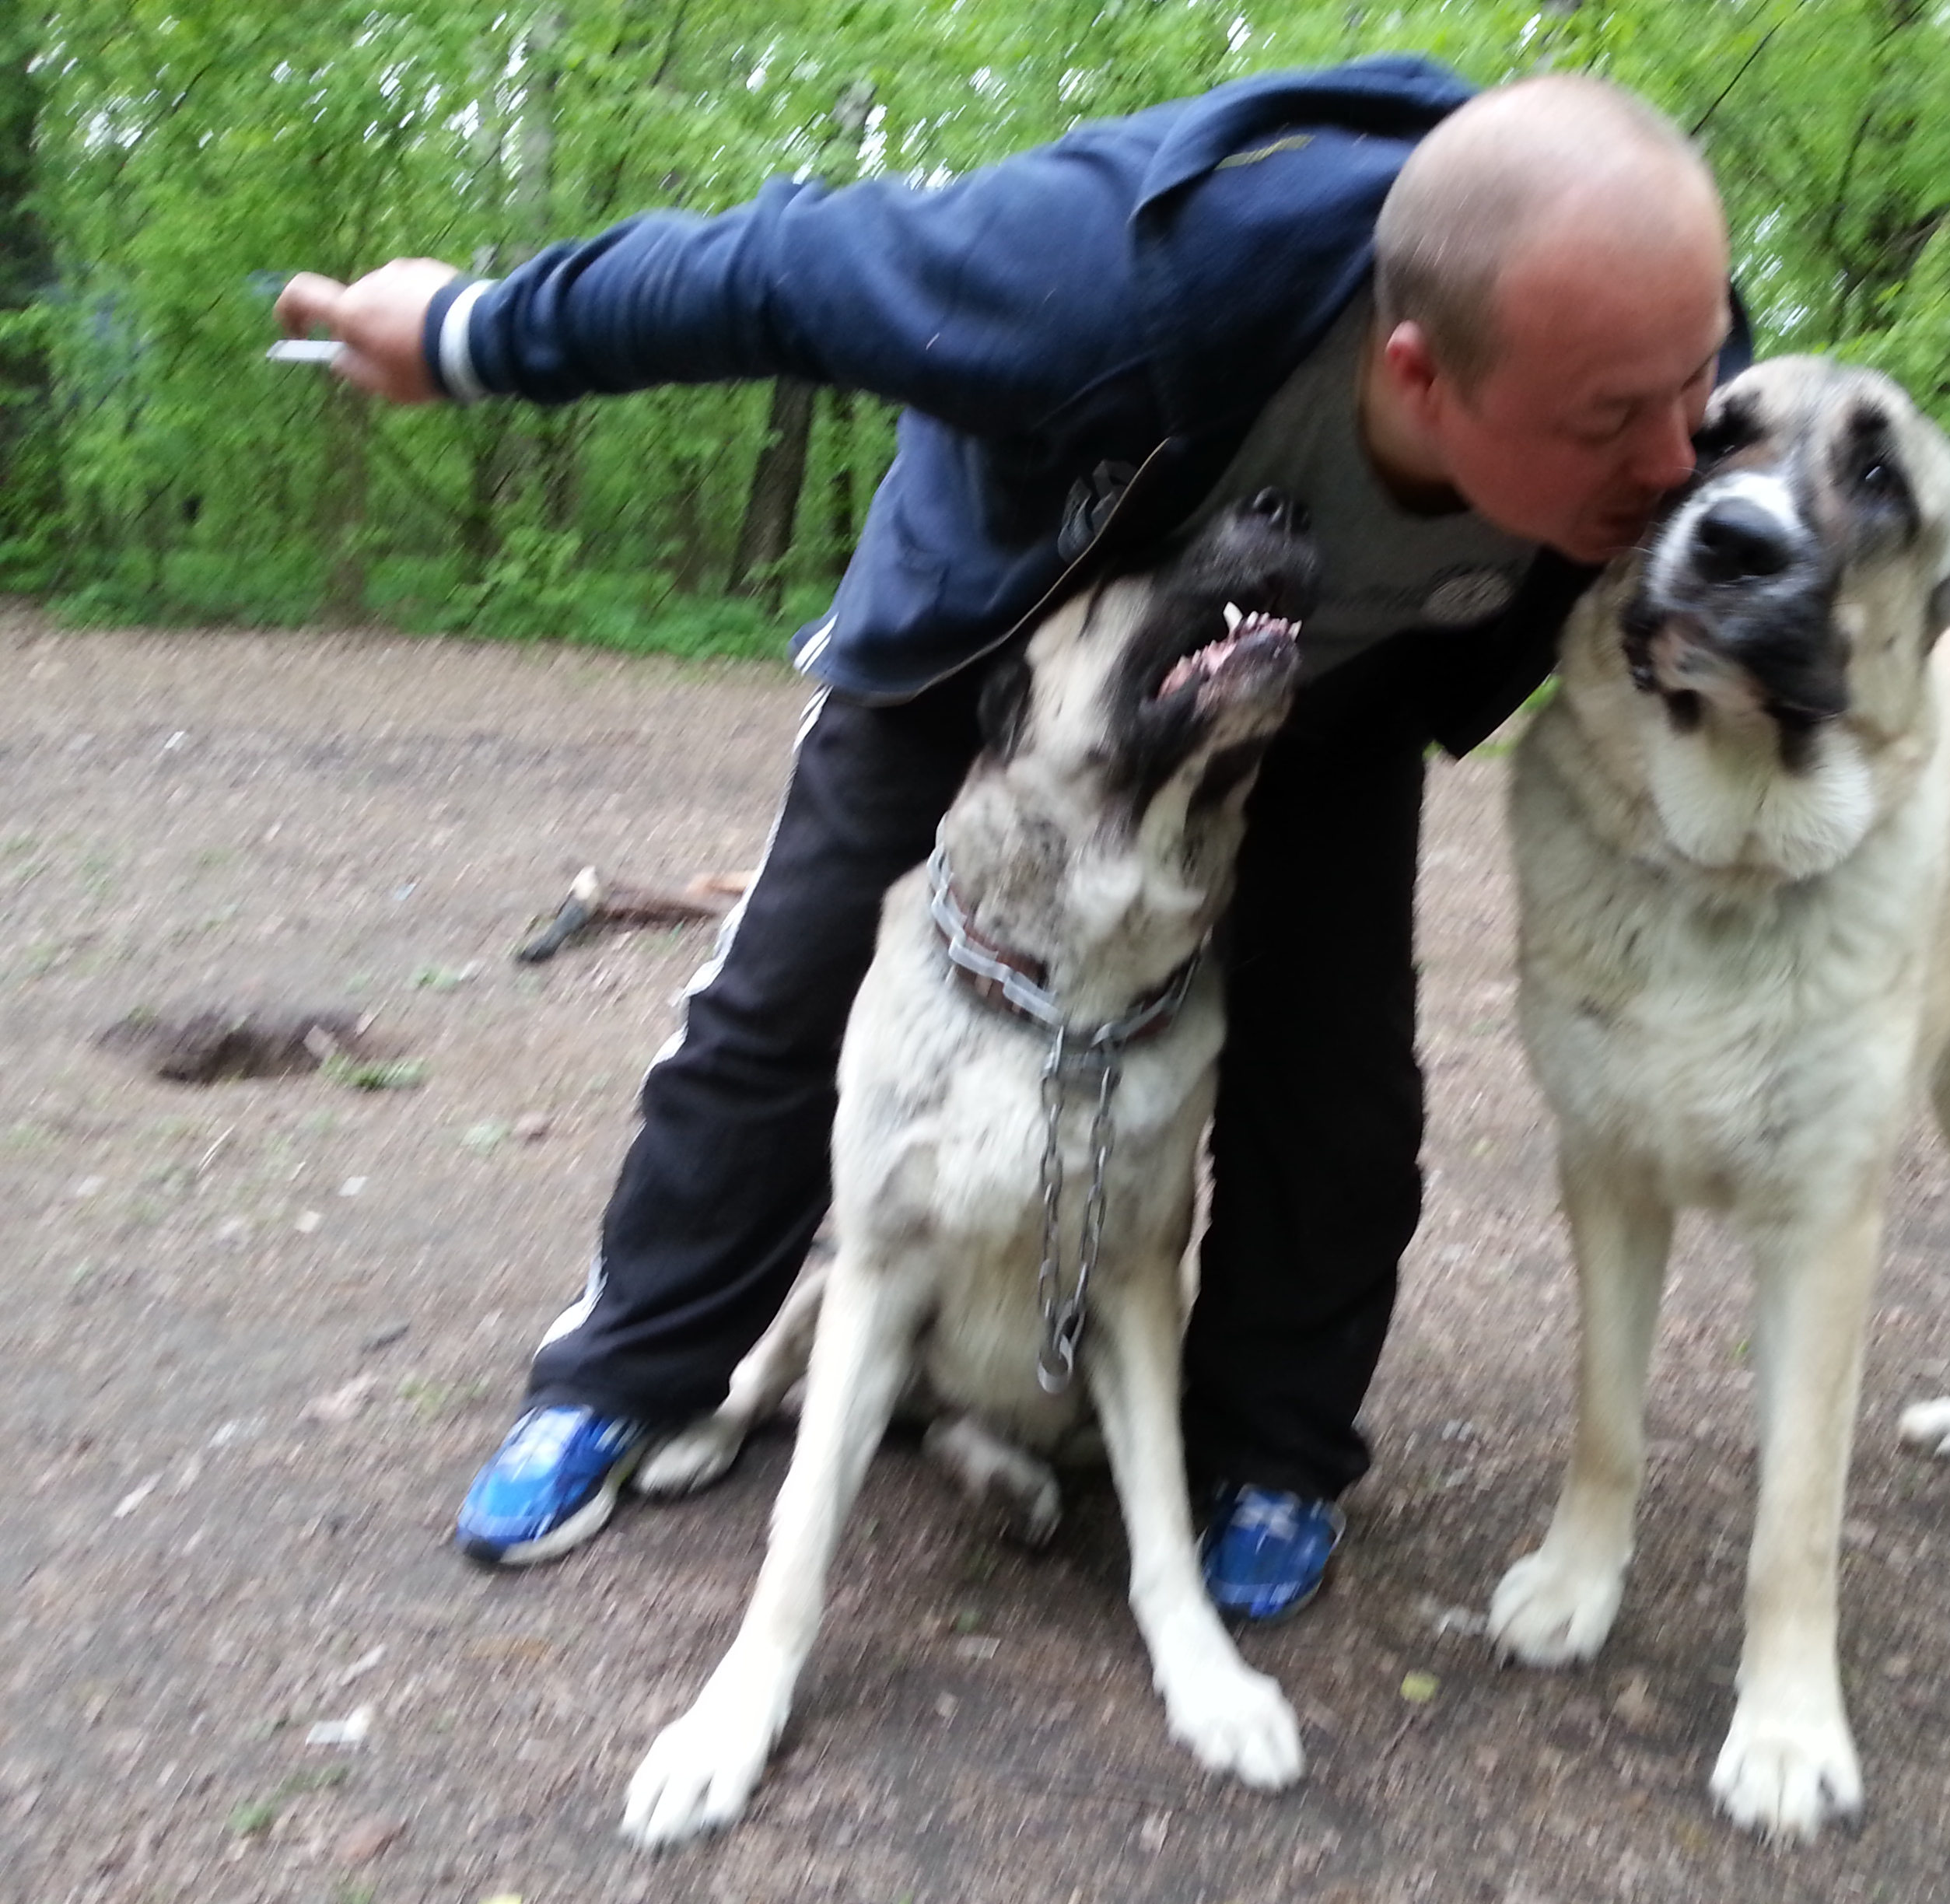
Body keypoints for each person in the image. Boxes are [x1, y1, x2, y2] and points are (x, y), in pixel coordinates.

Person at [278, 56, 1742, 1622]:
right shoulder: (1101, 281)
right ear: (1423, 372)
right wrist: (466, 332)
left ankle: (1273, 1447)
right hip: (1015, 638)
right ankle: (632, 1371)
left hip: (1335, 680)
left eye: (1696, 386)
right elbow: (771, 274)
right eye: (1613, 422)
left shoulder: (1655, 355)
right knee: (799, 975)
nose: (1678, 463)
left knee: (1338, 1077)